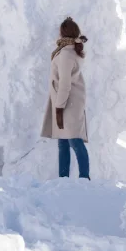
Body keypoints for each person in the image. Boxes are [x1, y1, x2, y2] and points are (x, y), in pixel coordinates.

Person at [41, 17, 89, 179]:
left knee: (74, 139)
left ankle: (84, 178)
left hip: (67, 102)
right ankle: (63, 179)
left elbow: (65, 83)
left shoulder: (66, 54)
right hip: (68, 100)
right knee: (63, 141)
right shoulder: (69, 51)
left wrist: (59, 106)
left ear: (63, 33)